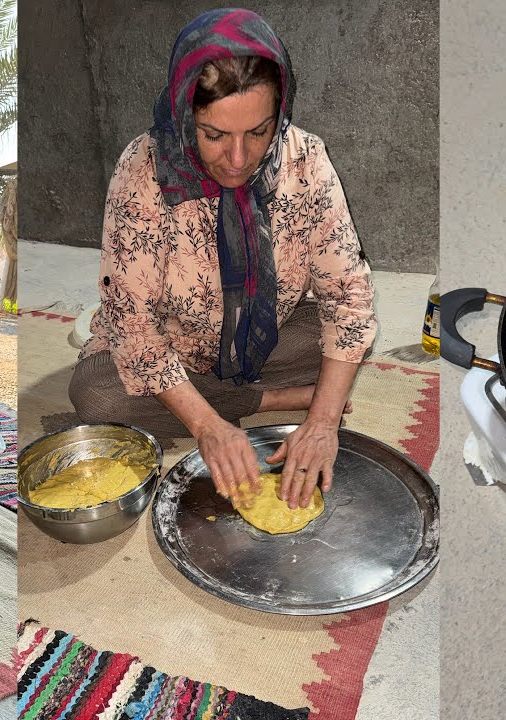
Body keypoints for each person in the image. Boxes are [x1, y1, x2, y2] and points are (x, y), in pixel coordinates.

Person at [69, 9, 376, 511]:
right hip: (176, 343)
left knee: (341, 339)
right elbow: (132, 323)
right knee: (97, 397)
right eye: (214, 135)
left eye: (258, 131)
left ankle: (290, 395)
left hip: (266, 334)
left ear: (281, 110)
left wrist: (322, 423)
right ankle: (269, 400)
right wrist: (207, 427)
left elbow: (348, 300)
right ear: (185, 116)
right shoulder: (143, 170)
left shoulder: (307, 160)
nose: (238, 159)